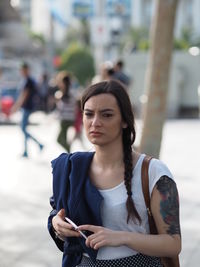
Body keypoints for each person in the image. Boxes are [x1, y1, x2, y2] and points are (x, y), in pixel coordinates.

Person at [48, 80, 181, 267]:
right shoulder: (72, 167)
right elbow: (57, 212)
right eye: (88, 114)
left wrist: (121, 237)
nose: (95, 122)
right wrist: (56, 224)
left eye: (107, 115)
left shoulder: (153, 172)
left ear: (125, 121)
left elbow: (173, 244)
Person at [11, 62, 44, 158]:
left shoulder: (28, 81)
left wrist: (16, 107)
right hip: (26, 107)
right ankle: (26, 151)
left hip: (27, 108)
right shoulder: (27, 80)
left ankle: (39, 144)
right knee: (23, 128)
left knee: (23, 128)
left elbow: (24, 96)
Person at [55, 71, 77, 152]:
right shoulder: (72, 93)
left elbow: (60, 108)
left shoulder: (62, 94)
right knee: (64, 139)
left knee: (59, 139)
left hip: (65, 119)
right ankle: (69, 153)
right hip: (70, 118)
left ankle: (69, 153)